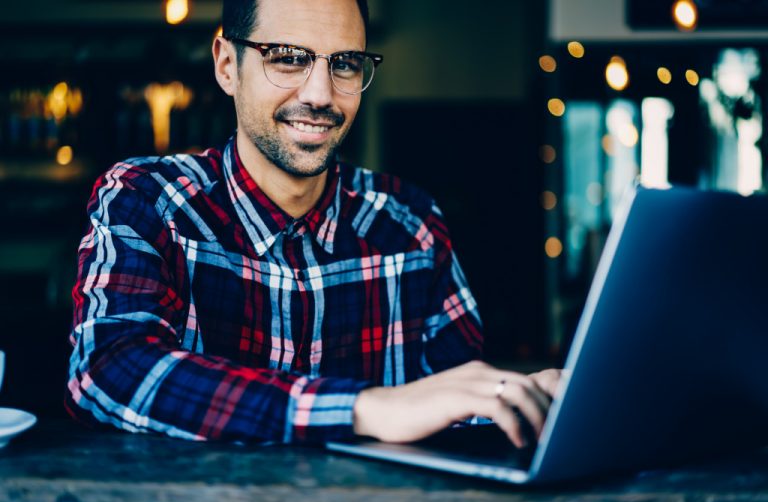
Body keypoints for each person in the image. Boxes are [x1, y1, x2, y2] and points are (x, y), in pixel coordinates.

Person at [66, 0, 561, 448]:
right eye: (287, 56)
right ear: (226, 66)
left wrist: (520, 401)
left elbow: (455, 403)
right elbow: (108, 369)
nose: (322, 94)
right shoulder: (147, 200)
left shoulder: (411, 225)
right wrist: (364, 408)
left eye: (344, 63)